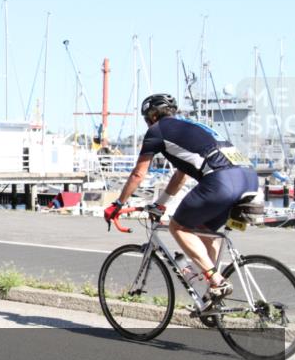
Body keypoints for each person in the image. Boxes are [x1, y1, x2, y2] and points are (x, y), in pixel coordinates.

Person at [104, 93, 259, 303]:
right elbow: (180, 175)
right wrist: (160, 204)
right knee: (206, 231)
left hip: (222, 180)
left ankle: (216, 280)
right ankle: (211, 296)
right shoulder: (187, 127)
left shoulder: (156, 131)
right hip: (249, 178)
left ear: (151, 116)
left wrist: (118, 204)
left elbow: (138, 174)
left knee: (178, 227)